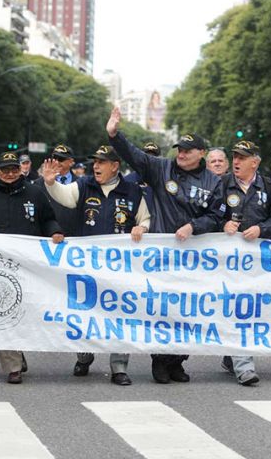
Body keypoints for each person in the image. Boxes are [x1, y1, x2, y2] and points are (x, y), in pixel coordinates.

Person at [107, 106, 223, 384]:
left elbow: (216, 215)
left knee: (189, 311)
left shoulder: (213, 181)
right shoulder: (162, 168)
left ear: (201, 154)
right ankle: (160, 361)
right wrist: (114, 134)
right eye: (179, 149)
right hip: (162, 256)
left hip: (194, 256)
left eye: (187, 150)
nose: (181, 154)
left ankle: (178, 361)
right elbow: (134, 155)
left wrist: (194, 226)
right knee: (164, 310)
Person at [42, 144, 150, 386]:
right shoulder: (84, 184)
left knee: (121, 314)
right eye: (95, 162)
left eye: (102, 162)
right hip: (88, 265)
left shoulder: (132, 191)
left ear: (115, 166)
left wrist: (141, 227)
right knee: (85, 310)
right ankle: (84, 354)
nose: (96, 166)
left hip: (121, 267)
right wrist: (51, 183)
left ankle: (119, 366)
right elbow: (66, 197)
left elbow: (146, 219)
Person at [0, 151, 64, 384]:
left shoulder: (35, 193)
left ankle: (20, 349)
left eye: (14, 168)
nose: (10, 173)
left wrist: (55, 231)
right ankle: (12, 366)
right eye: (5, 170)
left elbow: (48, 218)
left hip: (30, 264)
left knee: (27, 311)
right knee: (5, 312)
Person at [218, 140, 271, 386]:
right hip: (226, 262)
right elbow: (209, 214)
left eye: (242, 157)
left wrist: (261, 228)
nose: (236, 161)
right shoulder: (223, 184)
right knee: (235, 308)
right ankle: (243, 365)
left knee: (244, 310)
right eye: (234, 156)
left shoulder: (269, 186)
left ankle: (234, 356)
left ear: (255, 162)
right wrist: (222, 224)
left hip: (257, 264)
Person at [44, 144, 79, 237]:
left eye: (61, 159)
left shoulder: (81, 184)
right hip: (47, 238)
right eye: (55, 158)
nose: (57, 162)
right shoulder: (40, 184)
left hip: (73, 239)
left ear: (71, 162)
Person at [123, 142, 160, 218]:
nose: (149, 160)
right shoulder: (127, 180)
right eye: (146, 157)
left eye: (153, 157)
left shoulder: (163, 180)